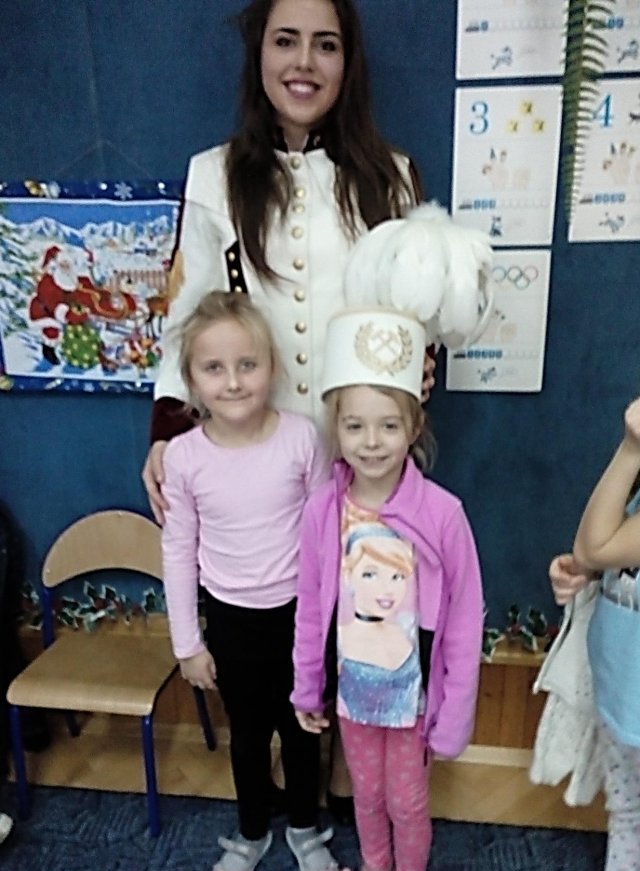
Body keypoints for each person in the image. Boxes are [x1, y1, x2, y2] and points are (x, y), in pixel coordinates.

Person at [142, 0, 435, 823]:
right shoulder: (213, 175)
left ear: (348, 62)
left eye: (326, 44)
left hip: (362, 450)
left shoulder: (393, 176)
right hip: (257, 454)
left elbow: (417, 314)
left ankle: (348, 772)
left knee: (366, 610)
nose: (304, 62)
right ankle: (285, 756)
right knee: (274, 617)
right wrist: (167, 429)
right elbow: (187, 315)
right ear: (259, 55)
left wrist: (419, 372)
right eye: (286, 41)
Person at [291, 302, 484, 871]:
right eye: (354, 425)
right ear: (336, 429)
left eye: (388, 425)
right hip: (354, 695)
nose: (370, 442)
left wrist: (455, 714)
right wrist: (306, 686)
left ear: (414, 426)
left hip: (412, 704)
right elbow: (310, 606)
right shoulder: (324, 511)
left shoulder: (442, 514)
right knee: (366, 795)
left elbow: (464, 620)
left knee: (407, 802)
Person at [161, 289, 341, 871]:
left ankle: (304, 828)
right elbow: (178, 550)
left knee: (301, 729)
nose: (233, 381)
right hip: (231, 621)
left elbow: (325, 535)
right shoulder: (184, 457)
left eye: (247, 365)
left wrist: (328, 625)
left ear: (272, 367)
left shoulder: (302, 439)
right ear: (192, 380)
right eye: (214, 368)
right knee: (248, 734)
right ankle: (251, 831)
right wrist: (187, 644)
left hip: (299, 617)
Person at [523, 396, 640, 871]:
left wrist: (632, 446)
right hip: (623, 696)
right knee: (629, 807)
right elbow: (599, 553)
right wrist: (589, 577)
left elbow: (593, 545)